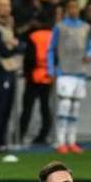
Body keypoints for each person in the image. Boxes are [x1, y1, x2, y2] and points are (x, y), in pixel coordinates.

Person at [48, 0, 91, 155]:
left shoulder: (86, 27)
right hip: (65, 71)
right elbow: (51, 49)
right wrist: (51, 69)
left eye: (76, 7)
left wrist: (89, 54)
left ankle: (71, 141)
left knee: (75, 108)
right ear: (67, 9)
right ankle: (60, 142)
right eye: (71, 7)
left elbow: (90, 46)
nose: (74, 10)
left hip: (79, 71)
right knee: (64, 107)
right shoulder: (59, 27)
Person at [0, 0, 22, 155]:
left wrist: (16, 46)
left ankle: (2, 141)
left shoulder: (9, 26)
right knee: (0, 107)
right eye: (4, 6)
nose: (7, 9)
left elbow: (18, 44)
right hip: (1, 72)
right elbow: (3, 51)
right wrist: (17, 47)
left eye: (8, 5)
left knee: (7, 107)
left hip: (11, 70)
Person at [19, 16, 54, 146]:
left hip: (34, 76)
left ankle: (20, 134)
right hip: (48, 75)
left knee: (27, 107)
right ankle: (43, 135)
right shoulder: (52, 35)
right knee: (45, 107)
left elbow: (29, 58)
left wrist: (26, 72)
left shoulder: (33, 36)